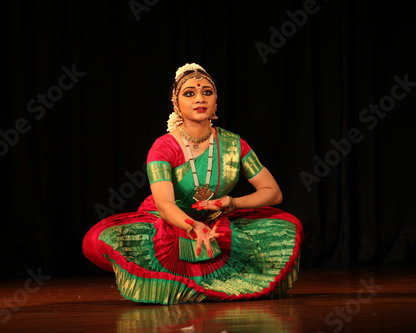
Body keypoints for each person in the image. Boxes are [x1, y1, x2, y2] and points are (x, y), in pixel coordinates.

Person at [83, 63, 303, 304]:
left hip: (216, 223)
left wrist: (232, 202)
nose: (200, 98)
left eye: (207, 92)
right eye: (189, 93)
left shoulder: (234, 144)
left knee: (286, 226)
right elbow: (165, 203)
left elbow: (273, 193)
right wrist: (192, 226)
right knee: (101, 237)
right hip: (168, 222)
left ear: (216, 101)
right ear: (176, 103)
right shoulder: (164, 147)